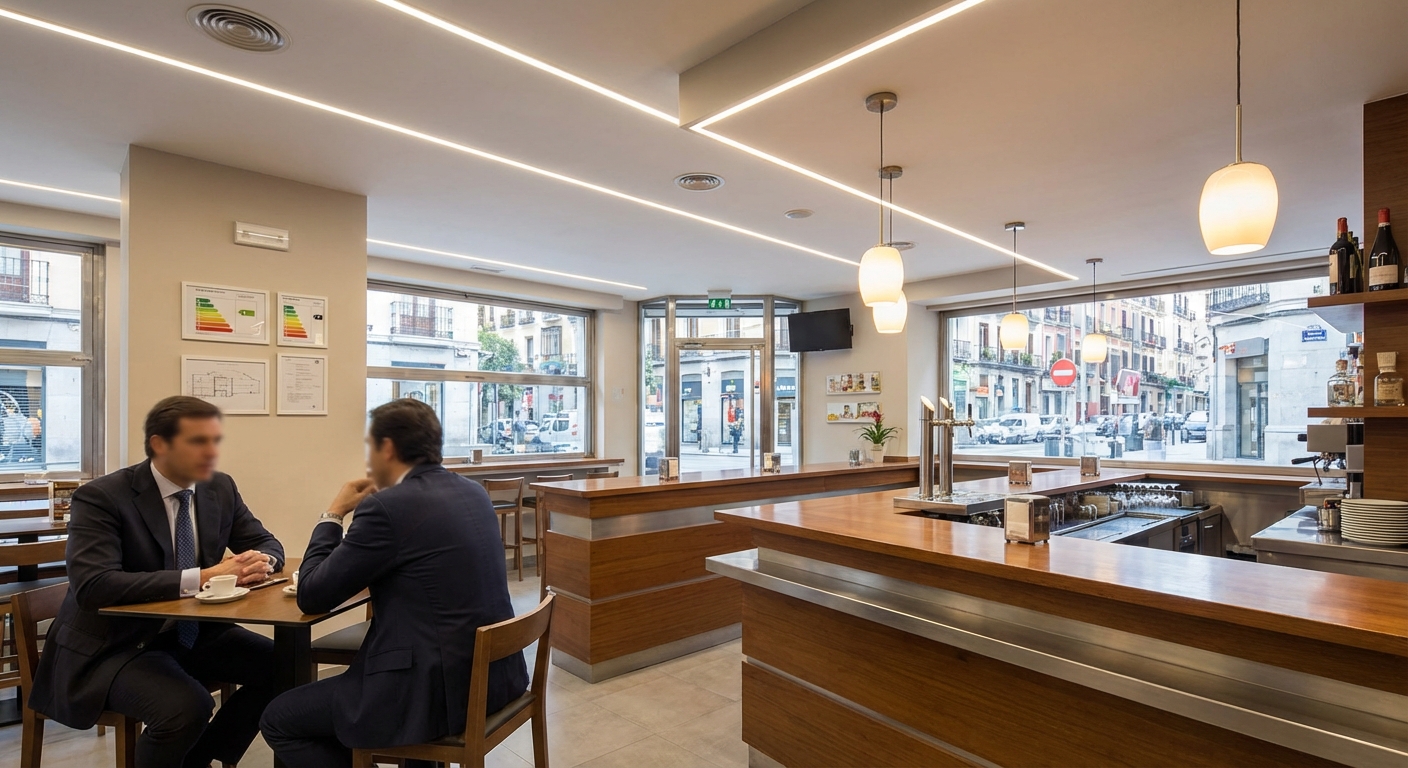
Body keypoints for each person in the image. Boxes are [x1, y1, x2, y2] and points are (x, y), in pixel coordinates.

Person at [260, 398, 528, 767]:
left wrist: (333, 513)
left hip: (429, 692)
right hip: (494, 679)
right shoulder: (472, 492)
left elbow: (312, 594)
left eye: (370, 448)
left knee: (280, 719)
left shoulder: (387, 507)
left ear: (386, 448)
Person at [27, 396, 284, 768]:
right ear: (159, 445)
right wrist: (205, 577)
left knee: (287, 665)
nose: (212, 452)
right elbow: (93, 585)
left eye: (215, 440)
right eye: (198, 441)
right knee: (186, 707)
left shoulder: (219, 487)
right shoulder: (102, 497)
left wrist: (262, 561)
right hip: (115, 645)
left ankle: (202, 759)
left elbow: (265, 541)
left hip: (192, 633)